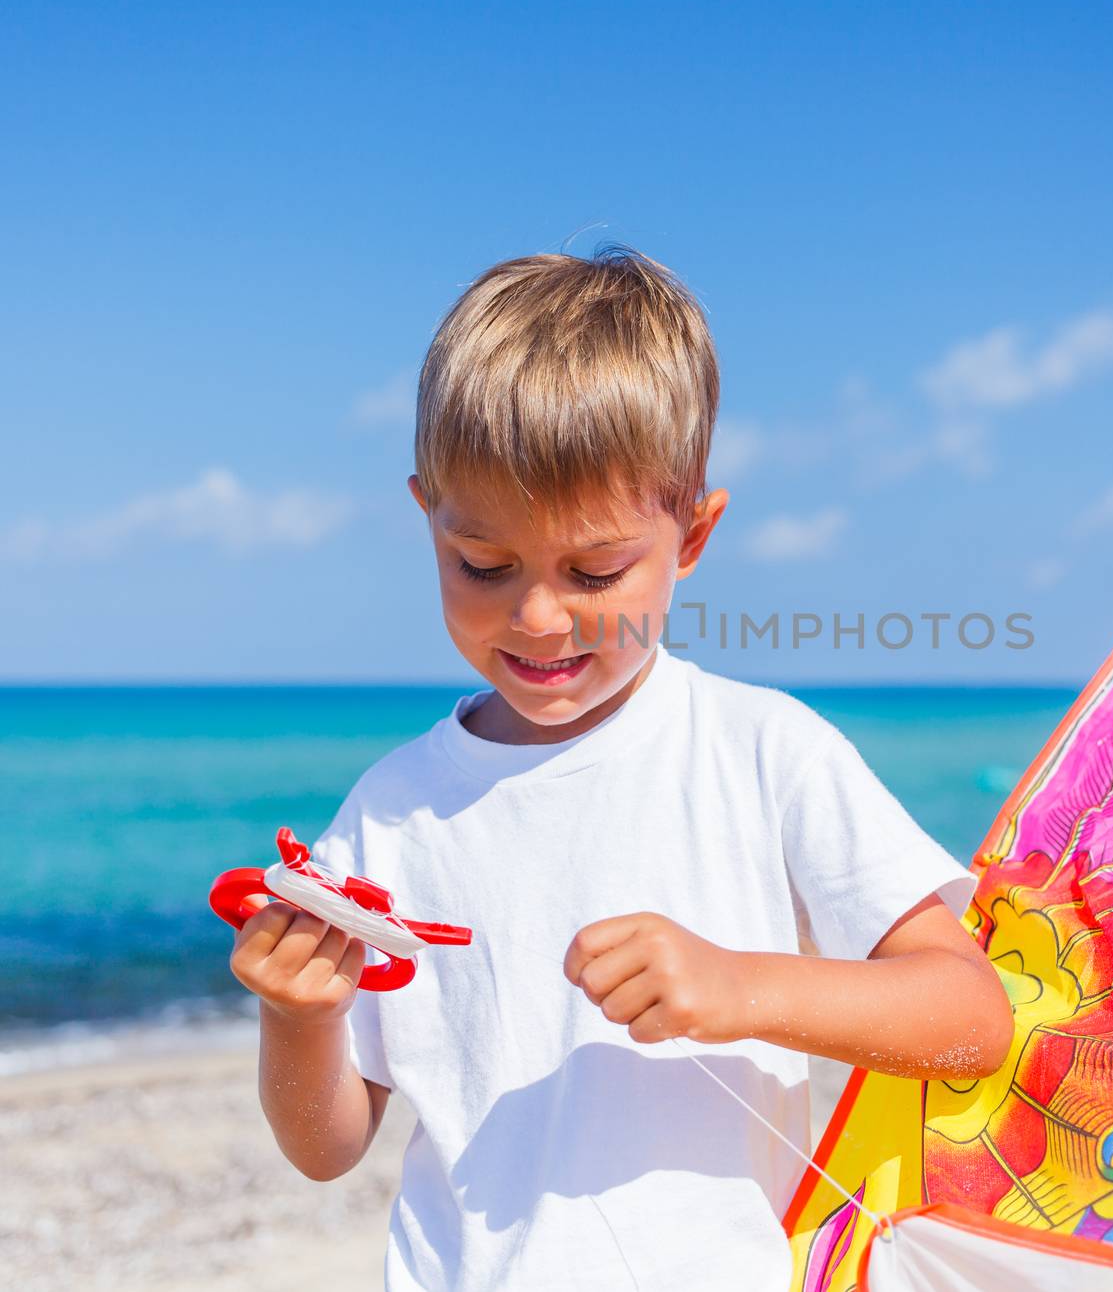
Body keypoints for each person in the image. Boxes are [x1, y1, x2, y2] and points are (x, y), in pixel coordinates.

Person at [226, 247, 1014, 1291]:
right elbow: (324, 1146)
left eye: (594, 571)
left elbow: (969, 1016)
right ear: (428, 517)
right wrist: (299, 1014)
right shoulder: (392, 813)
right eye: (483, 566)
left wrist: (740, 986)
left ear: (691, 535)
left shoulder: (763, 753)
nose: (538, 616)